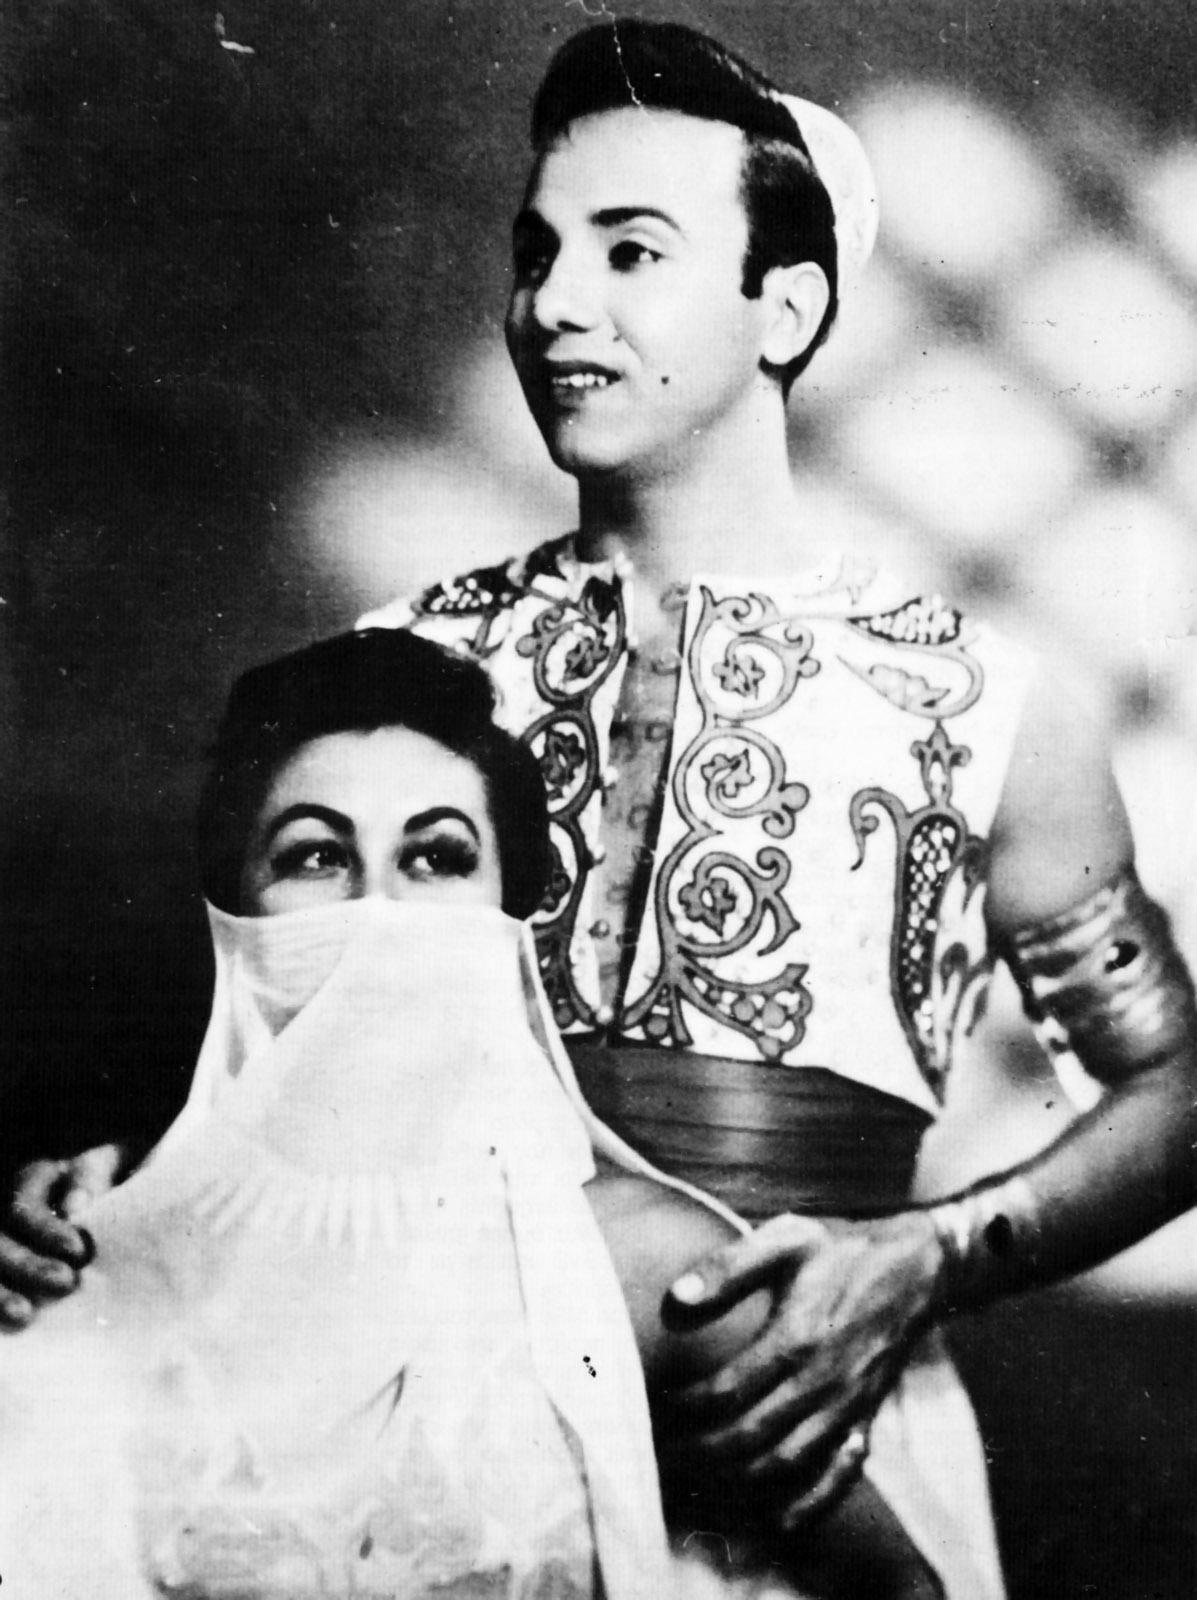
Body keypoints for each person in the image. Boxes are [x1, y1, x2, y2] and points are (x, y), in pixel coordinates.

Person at [4, 18, 1196, 1599]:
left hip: (816, 1460)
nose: (554, 303)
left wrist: (921, 1258)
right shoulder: (391, 674)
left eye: (631, 252)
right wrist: (104, 1206)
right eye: (536, 253)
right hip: (426, 1468)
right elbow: (287, 1063)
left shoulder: (977, 702)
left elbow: (1175, 1088)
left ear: (786, 307)